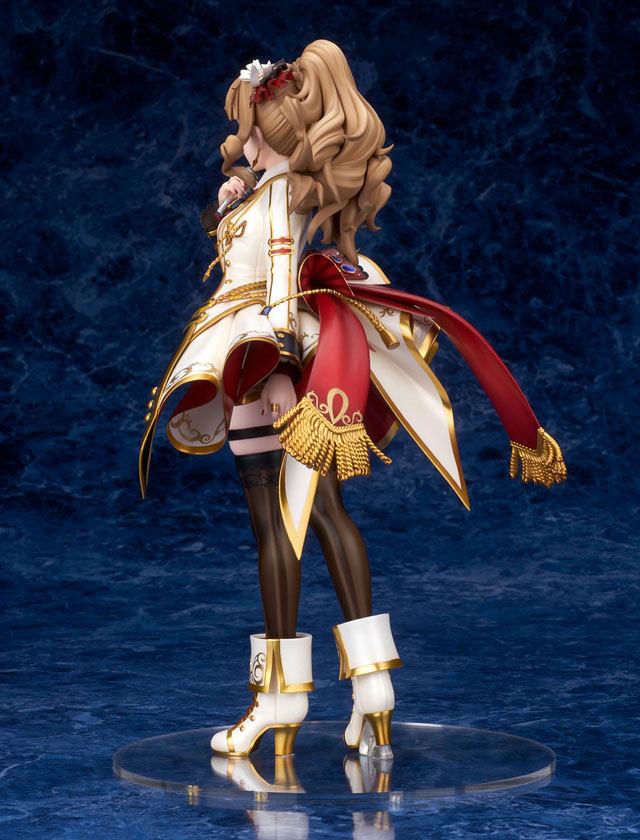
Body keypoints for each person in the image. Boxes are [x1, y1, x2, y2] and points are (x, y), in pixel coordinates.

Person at [138, 40, 566, 761]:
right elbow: (242, 241)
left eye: (243, 126)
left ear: (262, 131)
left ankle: (277, 701)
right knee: (326, 513)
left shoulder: (279, 199)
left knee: (276, 527)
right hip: (273, 352)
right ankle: (374, 689)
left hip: (260, 358)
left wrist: (276, 370)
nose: (236, 140)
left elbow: (279, 284)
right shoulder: (272, 193)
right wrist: (231, 198)